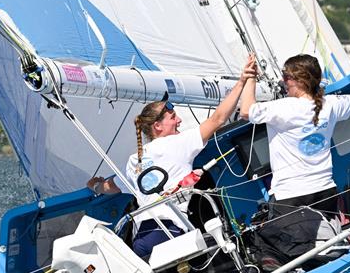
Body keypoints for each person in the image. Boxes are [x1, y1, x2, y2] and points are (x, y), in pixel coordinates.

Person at [88, 55, 256, 258]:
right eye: (173, 117)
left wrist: (96, 186)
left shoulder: (135, 160)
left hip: (141, 240)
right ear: (157, 126)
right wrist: (241, 82)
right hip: (170, 232)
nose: (179, 120)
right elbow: (218, 118)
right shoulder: (178, 144)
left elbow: (112, 187)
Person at [239, 54, 350, 220]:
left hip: (290, 197)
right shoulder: (330, 104)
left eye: (285, 77)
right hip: (324, 192)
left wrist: (251, 77)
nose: (283, 82)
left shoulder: (281, 108)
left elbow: (246, 110)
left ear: (299, 80)